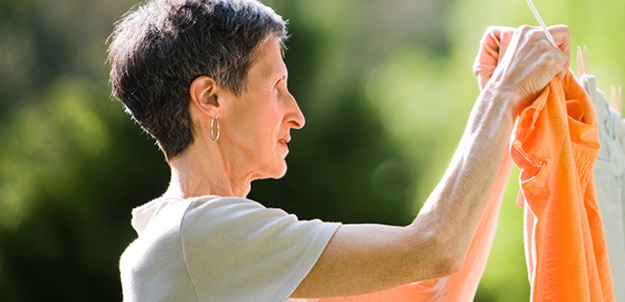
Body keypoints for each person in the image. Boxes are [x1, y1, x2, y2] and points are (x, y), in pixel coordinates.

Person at [108, 0, 571, 300]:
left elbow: (434, 290)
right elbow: (434, 248)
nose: (296, 114)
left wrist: (501, 109)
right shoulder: (201, 235)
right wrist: (502, 94)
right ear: (211, 98)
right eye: (277, 87)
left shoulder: (218, 248)